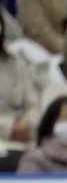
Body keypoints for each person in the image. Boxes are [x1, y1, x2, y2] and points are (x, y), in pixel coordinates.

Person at [0, 13, 40, 146]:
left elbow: (34, 104)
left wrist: (28, 124)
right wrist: (9, 129)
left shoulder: (16, 64)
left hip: (26, 135)